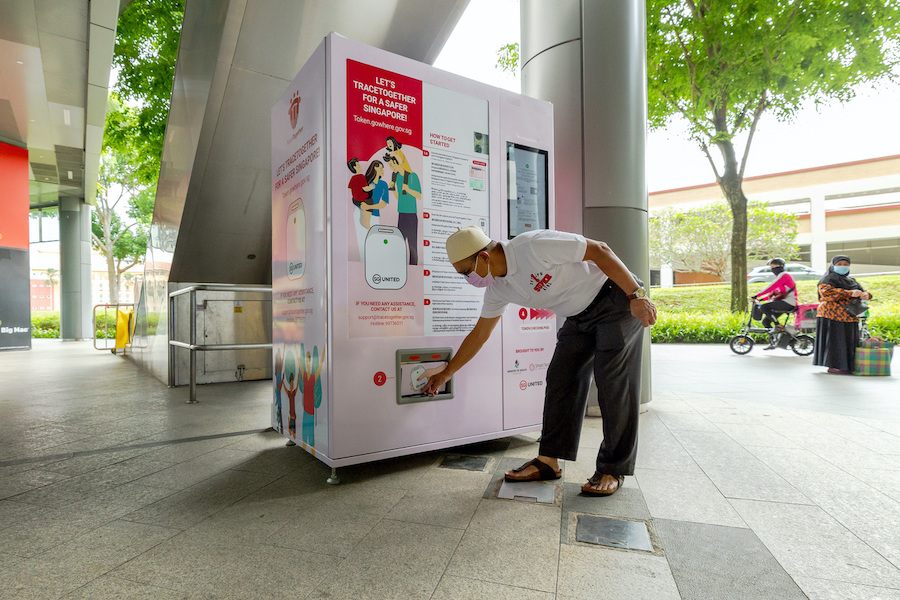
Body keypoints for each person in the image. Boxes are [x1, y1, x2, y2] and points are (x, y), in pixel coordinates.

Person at [423, 226, 657, 496]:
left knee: (613, 382)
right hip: (578, 316)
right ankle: (548, 462)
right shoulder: (499, 288)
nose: (468, 278)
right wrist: (447, 372)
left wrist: (636, 295)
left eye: (466, 271)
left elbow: (600, 250)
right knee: (561, 378)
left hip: (614, 298)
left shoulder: (531, 246)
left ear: (484, 258)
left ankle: (613, 467)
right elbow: (480, 333)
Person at [813, 255, 872, 374]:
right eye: (839, 264)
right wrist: (850, 293)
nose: (843, 267)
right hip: (832, 315)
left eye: (845, 264)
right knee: (836, 340)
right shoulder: (827, 279)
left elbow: (862, 290)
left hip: (850, 315)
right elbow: (826, 294)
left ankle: (846, 366)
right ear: (833, 265)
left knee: (848, 340)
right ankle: (834, 366)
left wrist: (866, 295)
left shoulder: (851, 280)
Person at [753, 258, 797, 349]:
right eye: (771, 267)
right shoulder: (781, 276)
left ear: (781, 266)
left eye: (774, 266)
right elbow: (774, 293)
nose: (772, 269)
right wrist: (761, 299)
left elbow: (771, 286)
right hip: (783, 302)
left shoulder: (784, 275)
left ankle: (778, 326)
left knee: (764, 307)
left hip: (788, 303)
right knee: (766, 321)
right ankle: (774, 342)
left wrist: (757, 295)